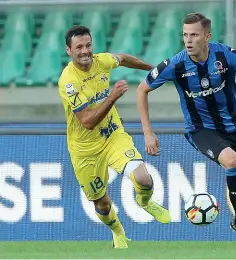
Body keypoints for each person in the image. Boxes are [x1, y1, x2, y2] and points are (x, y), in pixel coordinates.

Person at [137, 13, 236, 250]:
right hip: (200, 129)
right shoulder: (176, 65)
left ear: (207, 37)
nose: (188, 40)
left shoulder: (225, 55)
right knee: (231, 162)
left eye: (194, 35)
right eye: (185, 35)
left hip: (233, 127)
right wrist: (148, 132)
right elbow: (141, 90)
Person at [58, 25, 171, 249]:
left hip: (112, 136)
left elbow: (124, 59)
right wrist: (113, 96)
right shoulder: (68, 82)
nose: (85, 51)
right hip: (85, 150)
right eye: (79, 47)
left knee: (143, 180)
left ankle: (145, 202)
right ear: (68, 50)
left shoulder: (102, 61)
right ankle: (118, 232)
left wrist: (154, 70)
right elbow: (88, 122)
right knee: (101, 202)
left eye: (88, 45)